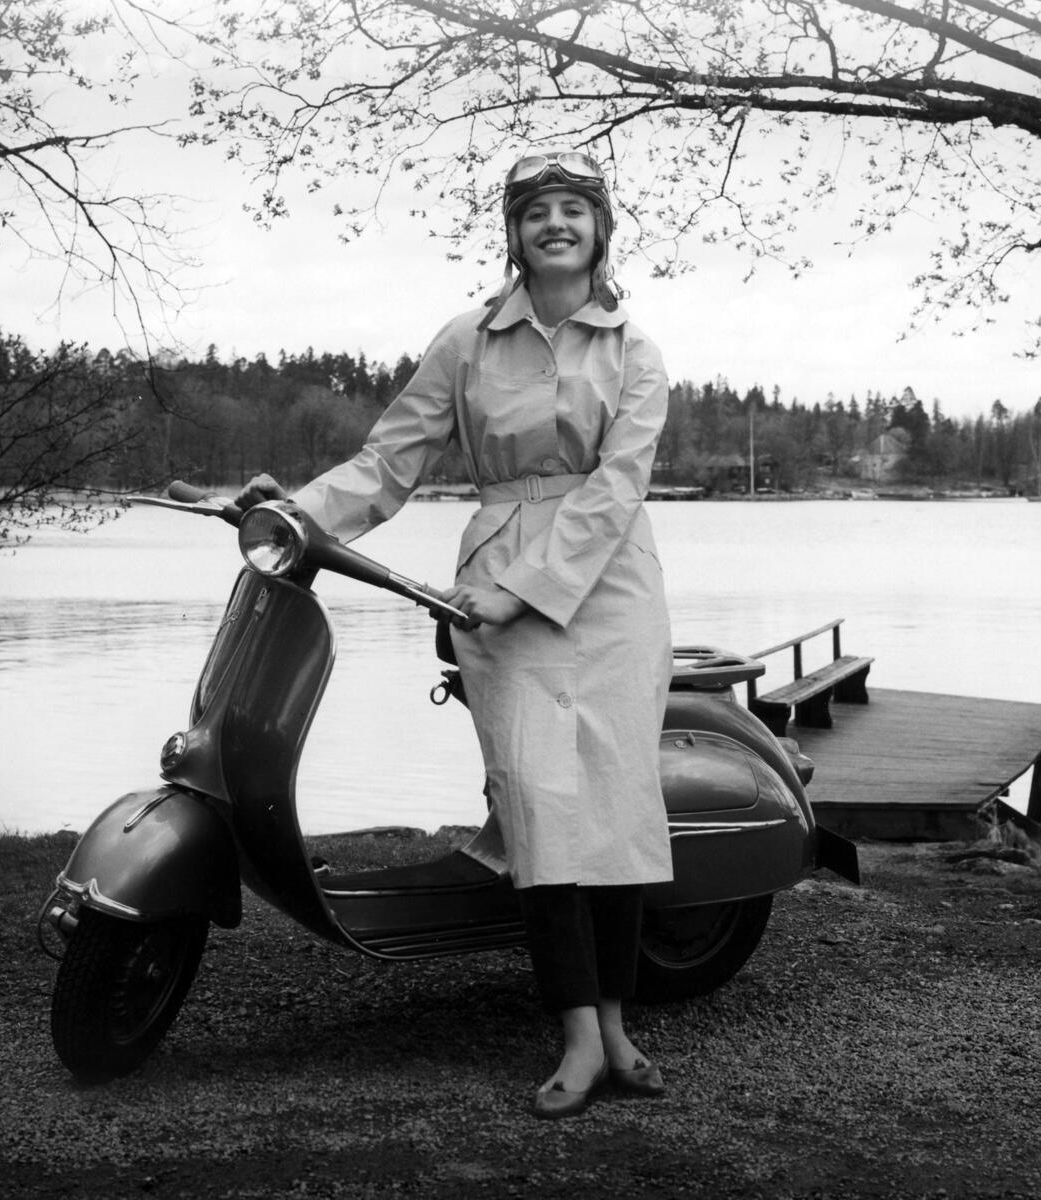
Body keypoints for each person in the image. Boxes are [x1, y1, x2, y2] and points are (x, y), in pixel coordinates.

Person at [237, 149, 674, 1119]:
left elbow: (617, 488)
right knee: (536, 801)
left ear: (600, 231)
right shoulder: (465, 341)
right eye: (536, 211)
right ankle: (575, 1036)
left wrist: (529, 589)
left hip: (612, 587)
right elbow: (388, 460)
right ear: (513, 234)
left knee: (616, 803)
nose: (555, 224)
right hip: (493, 579)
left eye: (573, 209)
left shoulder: (636, 353)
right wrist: (295, 514)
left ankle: (616, 1026)